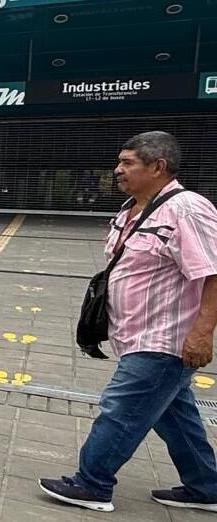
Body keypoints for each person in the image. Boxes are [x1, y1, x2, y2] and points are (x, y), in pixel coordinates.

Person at [40, 131, 217, 513]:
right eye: (119, 162)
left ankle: (92, 483)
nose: (118, 170)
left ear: (158, 167)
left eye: (127, 163)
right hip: (136, 334)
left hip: (164, 339)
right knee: (175, 415)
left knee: (120, 409)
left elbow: (213, 273)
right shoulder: (131, 208)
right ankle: (206, 487)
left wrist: (203, 334)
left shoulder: (187, 209)